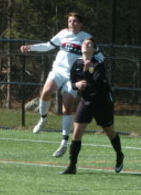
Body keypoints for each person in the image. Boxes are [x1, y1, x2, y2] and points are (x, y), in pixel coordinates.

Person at [20, 12, 103, 158]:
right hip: (58, 71)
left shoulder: (86, 38)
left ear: (80, 24)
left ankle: (64, 142)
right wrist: (30, 47)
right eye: (70, 21)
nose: (72, 23)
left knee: (67, 108)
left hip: (74, 77)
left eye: (75, 21)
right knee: (46, 92)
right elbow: (47, 46)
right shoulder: (63, 33)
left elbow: (100, 57)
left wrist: (90, 66)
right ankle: (43, 119)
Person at [60, 38, 123, 174]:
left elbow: (97, 84)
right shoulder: (77, 63)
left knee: (109, 131)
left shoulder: (98, 63)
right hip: (86, 101)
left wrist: (87, 71)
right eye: (84, 43)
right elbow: (71, 82)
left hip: (102, 102)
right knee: (76, 133)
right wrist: (76, 85)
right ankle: (72, 166)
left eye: (89, 44)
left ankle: (119, 154)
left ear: (94, 49)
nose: (86, 45)